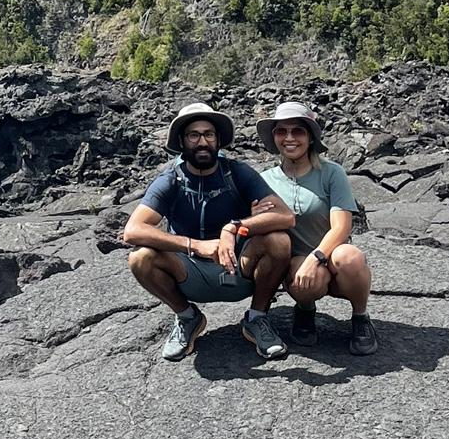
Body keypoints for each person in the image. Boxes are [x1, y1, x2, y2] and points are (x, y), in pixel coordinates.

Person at [123, 102, 295, 361]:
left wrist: (234, 227)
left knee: (279, 241)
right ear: (182, 141)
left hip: (238, 267)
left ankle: (257, 318)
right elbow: (133, 230)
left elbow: (285, 216)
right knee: (140, 257)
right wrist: (195, 245)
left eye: (209, 134)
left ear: (218, 140)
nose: (202, 141)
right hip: (189, 271)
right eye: (194, 135)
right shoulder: (170, 180)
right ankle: (187, 317)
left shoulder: (237, 173)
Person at [255, 101, 378, 356]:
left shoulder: (331, 173)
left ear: (311, 137)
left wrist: (316, 257)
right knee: (303, 280)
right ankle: (305, 309)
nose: (289, 138)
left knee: (350, 257)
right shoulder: (265, 181)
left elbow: (341, 226)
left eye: (298, 131)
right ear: (274, 137)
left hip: (332, 255)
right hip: (297, 263)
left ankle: (360, 318)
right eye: (281, 131)